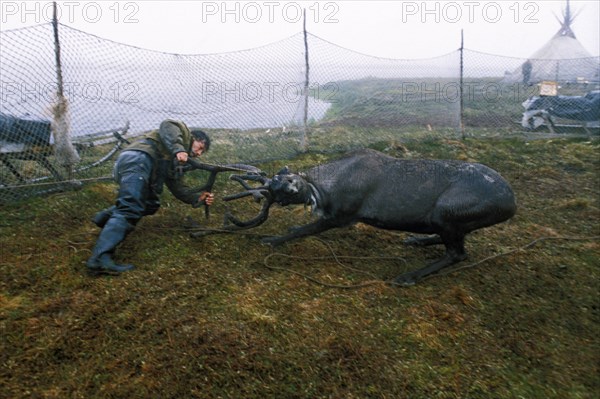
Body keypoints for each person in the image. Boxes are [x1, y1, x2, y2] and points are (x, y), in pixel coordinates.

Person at [86, 119, 215, 275]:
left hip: (138, 164)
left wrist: (197, 198)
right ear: (193, 138)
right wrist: (178, 148)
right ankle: (99, 260)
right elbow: (168, 125)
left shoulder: (173, 159)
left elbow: (178, 187)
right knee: (130, 207)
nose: (199, 154)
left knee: (150, 204)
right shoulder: (182, 133)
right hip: (138, 159)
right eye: (200, 147)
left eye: (202, 152)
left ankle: (105, 218)